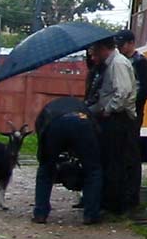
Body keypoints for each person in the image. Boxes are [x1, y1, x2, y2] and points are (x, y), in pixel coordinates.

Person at [32, 96, 102, 225]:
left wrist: (45, 158)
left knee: (45, 170)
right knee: (93, 171)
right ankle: (91, 215)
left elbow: (41, 133)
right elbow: (96, 131)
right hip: (82, 123)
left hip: (54, 123)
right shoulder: (83, 108)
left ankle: (40, 213)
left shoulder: (47, 109)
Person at [88, 36, 138, 213]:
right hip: (116, 116)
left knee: (115, 161)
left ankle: (115, 203)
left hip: (118, 118)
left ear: (103, 49)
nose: (93, 56)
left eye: (94, 51)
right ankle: (111, 201)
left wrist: (108, 109)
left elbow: (123, 92)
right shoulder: (112, 63)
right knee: (112, 160)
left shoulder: (117, 64)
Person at [115, 28, 147, 208]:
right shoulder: (121, 61)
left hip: (133, 111)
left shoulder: (140, 62)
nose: (120, 48)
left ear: (130, 43)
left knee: (131, 151)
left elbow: (146, 87)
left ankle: (132, 194)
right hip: (123, 110)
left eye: (122, 44)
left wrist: (135, 105)